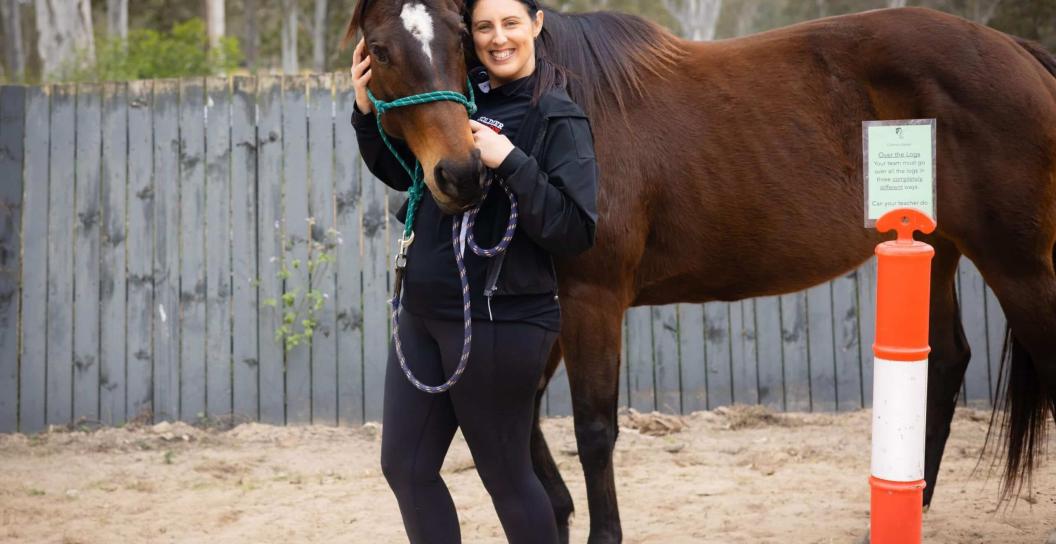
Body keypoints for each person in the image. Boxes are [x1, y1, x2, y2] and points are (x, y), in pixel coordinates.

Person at [350, 0, 598, 541]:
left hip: (500, 318)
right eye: (484, 27)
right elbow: (408, 173)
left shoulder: (556, 115)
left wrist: (510, 160)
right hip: (421, 311)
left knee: (507, 477)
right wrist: (365, 113)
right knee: (407, 469)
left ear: (536, 25)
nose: (498, 38)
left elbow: (575, 230)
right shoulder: (458, 98)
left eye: (511, 23)